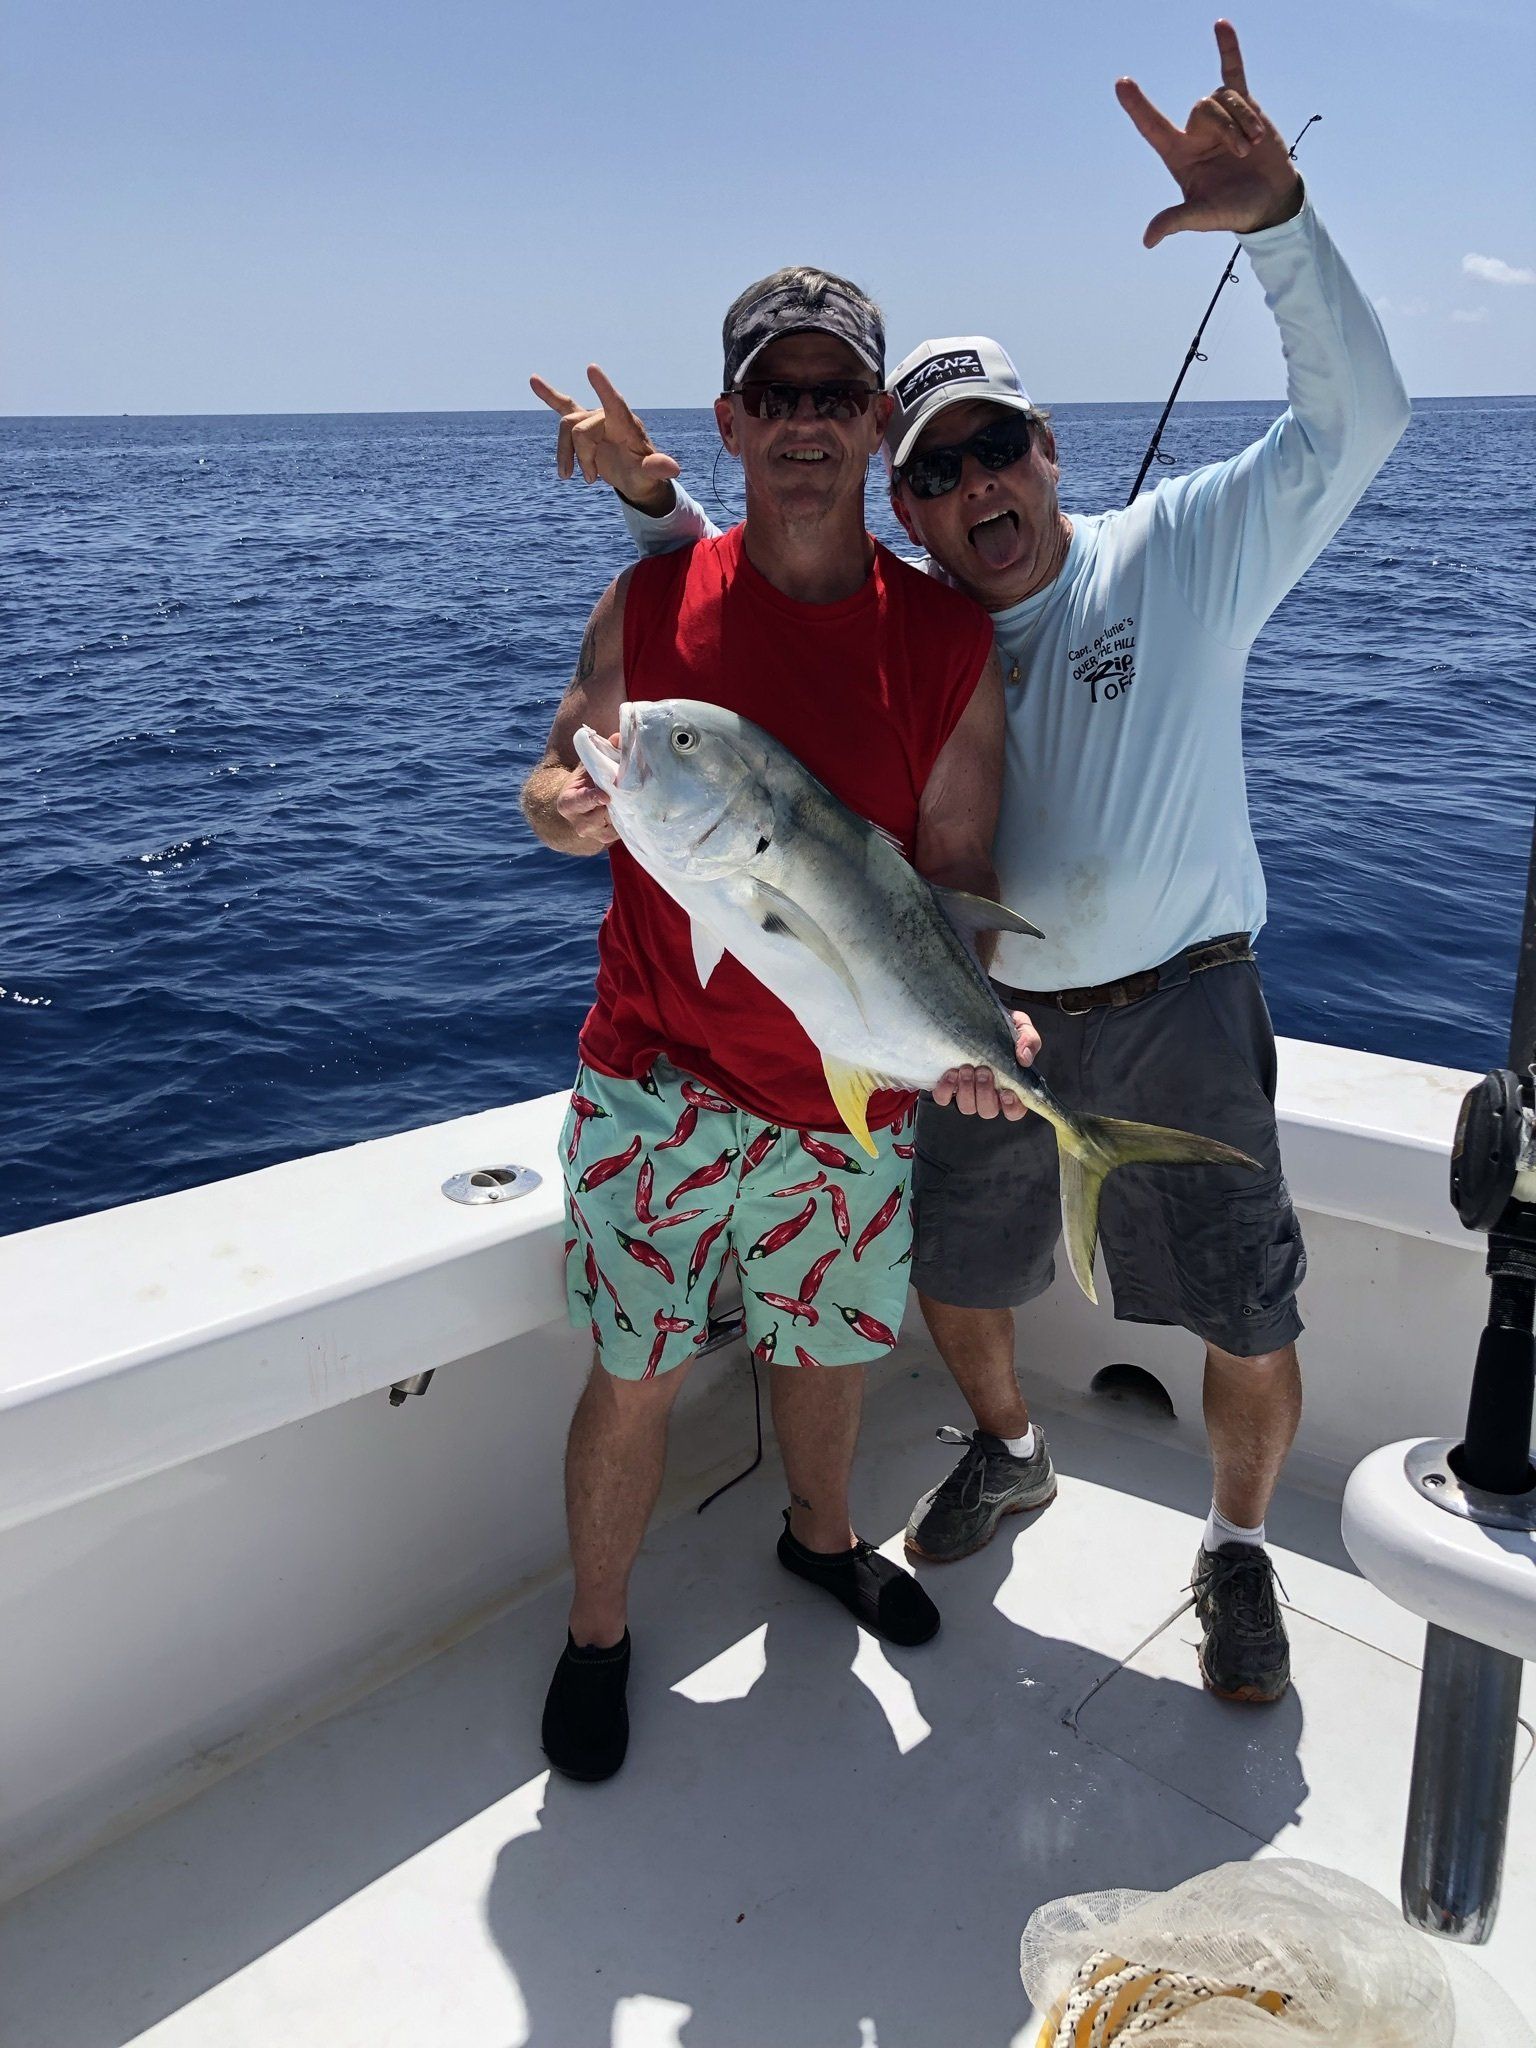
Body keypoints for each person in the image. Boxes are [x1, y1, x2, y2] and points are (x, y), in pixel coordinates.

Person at [541, 20, 1410, 1706]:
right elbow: (703, 679)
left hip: (1143, 1005)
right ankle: (995, 1453)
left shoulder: (1173, 556)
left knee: (1236, 1302)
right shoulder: (889, 618)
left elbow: (1355, 425)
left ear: (1045, 450)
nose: (972, 480)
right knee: (945, 1286)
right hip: (933, 1032)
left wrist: (1279, 226)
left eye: (992, 444)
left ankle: (1233, 1557)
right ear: (903, 496)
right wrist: (645, 539)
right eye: (938, 469)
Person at [521, 268, 1038, 1781]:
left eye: (837, 395)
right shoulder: (651, 601)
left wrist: (976, 1029)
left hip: (847, 1096)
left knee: (826, 1354)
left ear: (877, 424)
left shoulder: (944, 643)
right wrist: (564, 811)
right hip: (654, 1079)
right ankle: (600, 1630)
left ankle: (823, 1540)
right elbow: (561, 771)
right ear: (732, 420)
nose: (807, 421)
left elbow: (955, 874)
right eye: (779, 394)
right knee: (636, 1370)